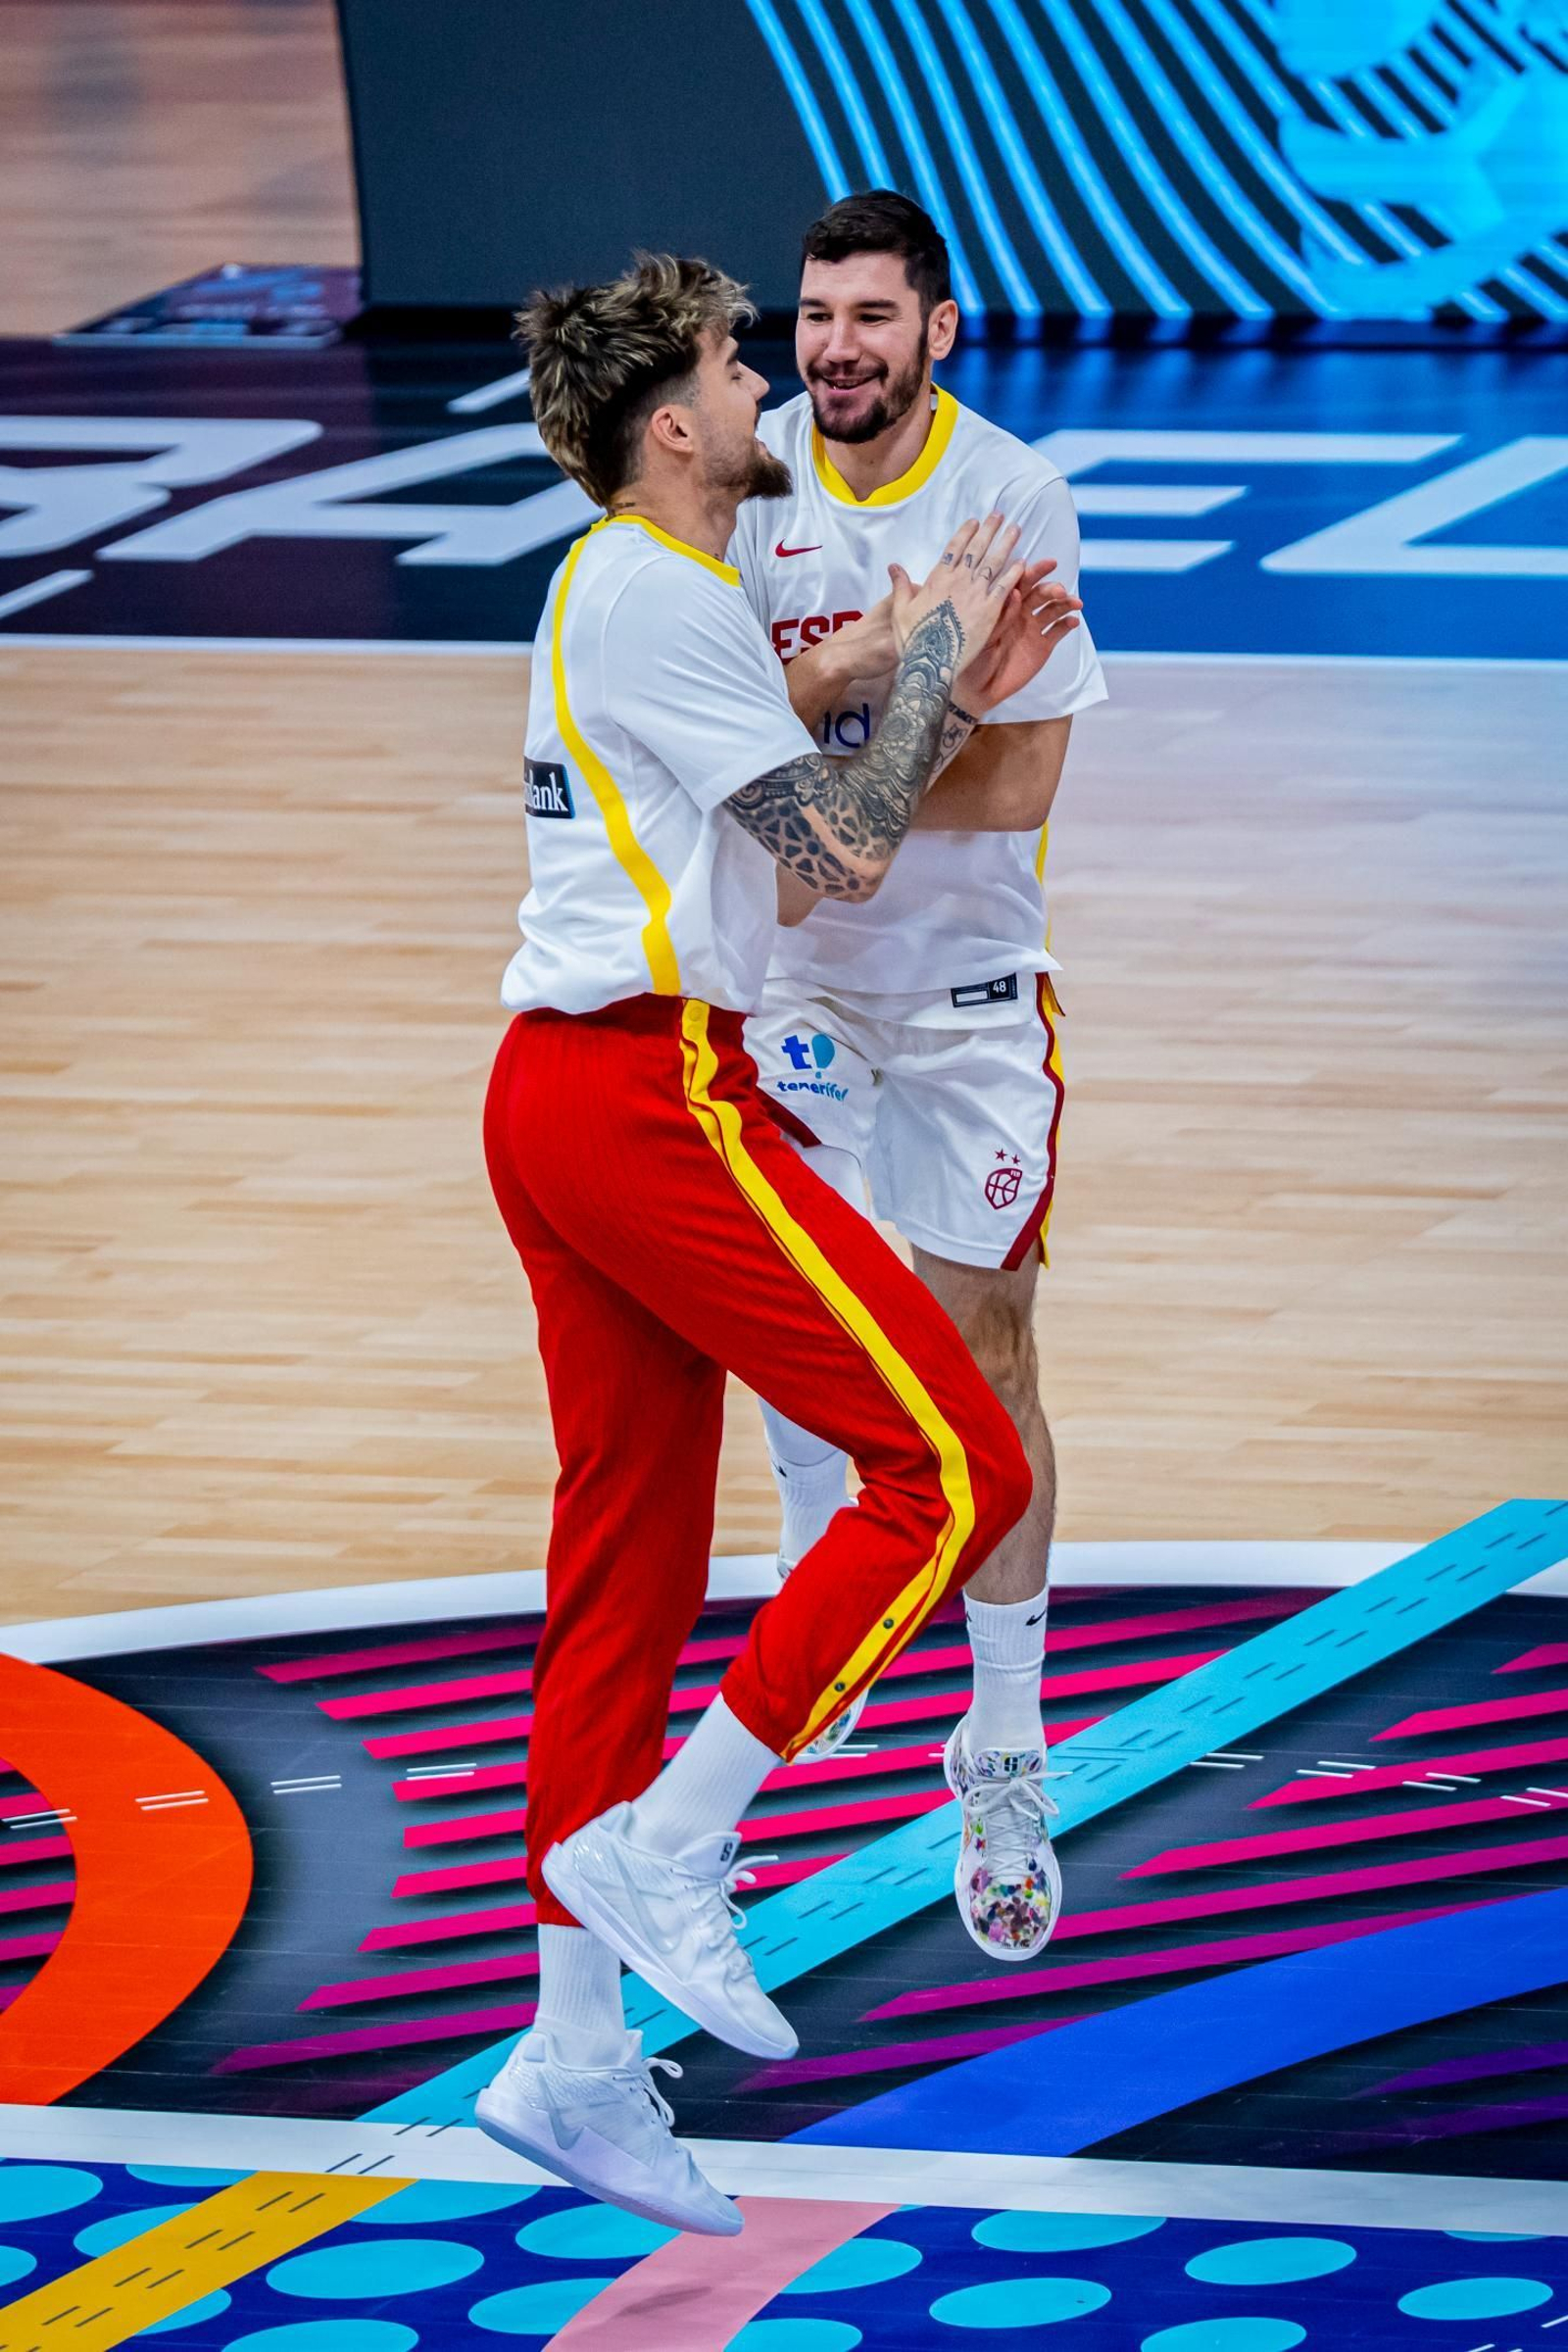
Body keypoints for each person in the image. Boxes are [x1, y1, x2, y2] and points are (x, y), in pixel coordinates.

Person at [474, 252, 1075, 2235]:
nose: (764, 388)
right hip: (656, 1094)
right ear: (673, 422)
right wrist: (940, 656)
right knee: (948, 1461)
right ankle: (682, 1841)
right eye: (738, 363)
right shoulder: (658, 588)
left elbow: (764, 719)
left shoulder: (627, 588)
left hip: (552, 1099)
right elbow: (838, 852)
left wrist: (882, 652)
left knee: (621, 1575)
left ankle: (570, 2062)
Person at [728, 192, 1108, 1965]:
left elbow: (1023, 788)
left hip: (963, 992)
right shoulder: (744, 481)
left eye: (873, 315)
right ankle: (833, 1623)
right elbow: (728, 764)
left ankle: (1006, 1749)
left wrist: (851, 743)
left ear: (939, 329)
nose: (837, 348)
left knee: (986, 1353)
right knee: (803, 1335)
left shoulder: (1014, 491)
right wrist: (925, 691)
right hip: (791, 973)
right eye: (815, 315)